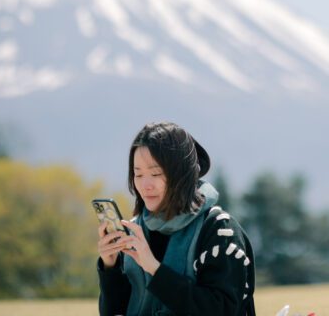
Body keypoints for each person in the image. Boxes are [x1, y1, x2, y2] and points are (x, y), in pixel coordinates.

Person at [97, 122, 256, 316]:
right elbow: (116, 310)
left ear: (182, 175)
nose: (145, 185)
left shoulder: (219, 231)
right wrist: (110, 267)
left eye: (155, 173)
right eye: (138, 174)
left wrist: (154, 269)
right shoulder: (136, 231)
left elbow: (223, 309)